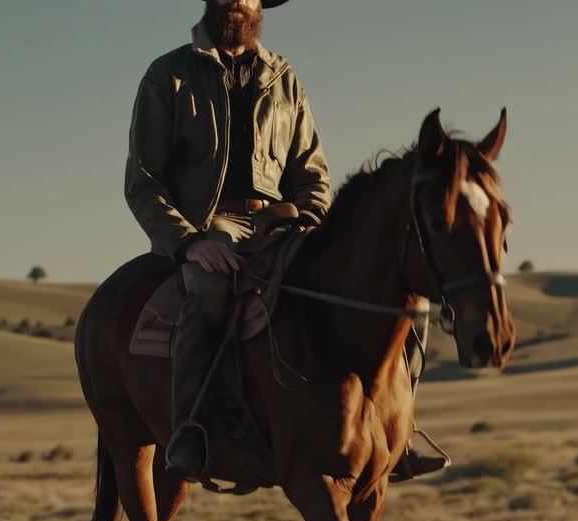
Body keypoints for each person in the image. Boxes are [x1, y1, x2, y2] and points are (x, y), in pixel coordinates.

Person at [125, 0, 447, 481]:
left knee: (408, 303)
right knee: (209, 292)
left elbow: (313, 173)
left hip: (284, 222)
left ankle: (395, 432)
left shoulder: (283, 77)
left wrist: (313, 225)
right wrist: (190, 242)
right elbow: (143, 181)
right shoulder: (168, 75)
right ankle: (189, 428)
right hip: (209, 226)